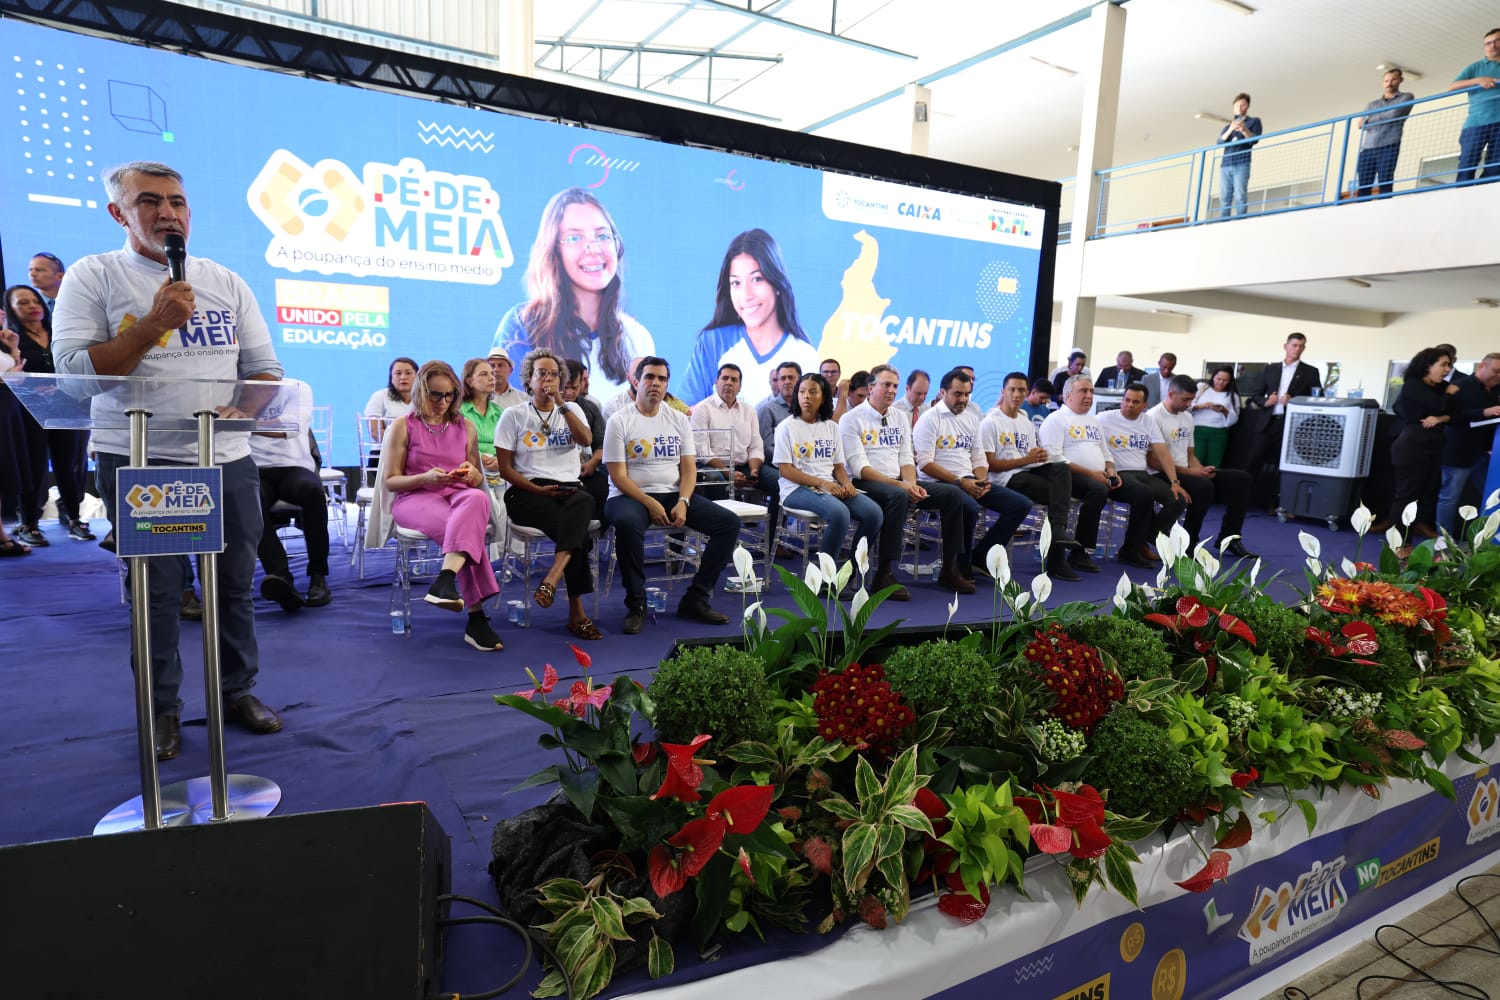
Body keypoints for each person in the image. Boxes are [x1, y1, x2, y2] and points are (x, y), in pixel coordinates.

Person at [53, 160, 283, 761]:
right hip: (139, 460)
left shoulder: (225, 281)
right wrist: (155, 323)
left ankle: (236, 691)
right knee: (155, 594)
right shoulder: (92, 277)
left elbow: (264, 369)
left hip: (225, 456)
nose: (167, 214)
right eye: (149, 202)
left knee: (232, 587)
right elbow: (75, 381)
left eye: (177, 202)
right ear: (119, 213)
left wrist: (245, 405)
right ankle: (161, 710)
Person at [604, 356, 737, 634]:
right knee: (628, 524)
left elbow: (689, 469)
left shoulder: (677, 419)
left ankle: (696, 599)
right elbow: (618, 476)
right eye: (650, 377)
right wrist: (649, 502)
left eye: (662, 379)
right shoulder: (619, 420)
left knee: (728, 523)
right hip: (628, 496)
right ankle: (636, 604)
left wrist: (683, 501)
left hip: (673, 494)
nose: (656, 383)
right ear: (636, 381)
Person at [385, 360, 503, 652]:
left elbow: (475, 475)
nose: (443, 402)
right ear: (421, 392)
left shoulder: (465, 426)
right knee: (464, 529)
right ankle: (476, 619)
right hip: (414, 497)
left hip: (457, 493)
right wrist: (425, 477)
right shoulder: (403, 426)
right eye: (436, 395)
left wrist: (472, 473)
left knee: (477, 498)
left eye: (449, 395)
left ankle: (446, 578)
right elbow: (391, 481)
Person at [491, 187, 653, 395]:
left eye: (602, 235)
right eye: (575, 238)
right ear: (553, 250)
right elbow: (510, 404)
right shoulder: (522, 325)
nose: (593, 248)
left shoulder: (637, 337)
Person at [495, 348, 602, 640]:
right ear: (528, 380)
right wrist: (538, 489)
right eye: (541, 373)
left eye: (554, 374)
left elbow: (586, 440)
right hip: (527, 491)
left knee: (584, 500)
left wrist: (560, 404)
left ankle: (552, 578)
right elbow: (505, 469)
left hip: (569, 490)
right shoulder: (513, 415)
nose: (548, 379)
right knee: (577, 531)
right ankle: (576, 613)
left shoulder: (572, 409)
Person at [841, 365, 967, 599]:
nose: (891, 390)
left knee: (952, 494)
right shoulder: (851, 419)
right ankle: (884, 574)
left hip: (900, 481)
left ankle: (949, 569)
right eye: (885, 385)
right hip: (866, 482)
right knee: (898, 496)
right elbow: (860, 468)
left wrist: (911, 482)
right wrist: (902, 486)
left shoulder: (899, 416)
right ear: (870, 388)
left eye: (895, 386)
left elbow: (907, 457)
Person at [914, 368, 1031, 592]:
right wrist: (960, 482)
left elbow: (978, 456)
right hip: (937, 483)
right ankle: (959, 567)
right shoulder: (929, 419)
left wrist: (982, 479)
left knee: (1020, 505)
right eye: (958, 394)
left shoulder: (971, 418)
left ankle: (981, 554)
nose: (963, 399)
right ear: (943, 392)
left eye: (967, 394)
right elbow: (924, 463)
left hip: (969, 480)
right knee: (967, 505)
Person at [676, 228, 819, 408]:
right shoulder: (714, 342)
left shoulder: (805, 355)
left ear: (776, 282)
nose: (746, 294)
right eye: (736, 282)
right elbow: (682, 414)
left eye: (757, 279)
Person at [5, 284, 94, 545]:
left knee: (71, 464)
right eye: (22, 302)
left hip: (67, 407)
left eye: (34, 301)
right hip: (28, 412)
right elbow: (11, 372)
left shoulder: (60, 333)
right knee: (33, 466)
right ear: (10, 309)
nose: (32, 306)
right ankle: (29, 523)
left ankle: (75, 517)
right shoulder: (9, 338)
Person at [980, 372, 1085, 581]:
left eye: (1021, 390)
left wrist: (1039, 457)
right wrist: (1027, 460)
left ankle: (1056, 531)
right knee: (1059, 497)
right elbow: (989, 464)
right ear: (1003, 392)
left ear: (1027, 392)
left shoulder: (1025, 421)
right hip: (1004, 478)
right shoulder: (990, 422)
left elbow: (1029, 457)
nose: (1016, 394)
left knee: (1061, 466)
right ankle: (1057, 556)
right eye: (1012, 389)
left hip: (1025, 471)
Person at [774, 372, 882, 573]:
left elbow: (838, 467)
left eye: (812, 392)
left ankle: (849, 572)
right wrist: (822, 483)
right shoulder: (787, 427)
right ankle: (826, 577)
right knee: (840, 514)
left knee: (873, 513)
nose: (806, 396)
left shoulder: (832, 427)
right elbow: (785, 470)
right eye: (802, 392)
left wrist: (846, 484)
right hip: (796, 489)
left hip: (828, 485)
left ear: (823, 397)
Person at [1151, 375, 1256, 558]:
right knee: (1203, 487)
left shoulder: (1187, 417)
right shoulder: (1154, 417)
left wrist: (1201, 469)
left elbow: (1190, 455)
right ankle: (1189, 543)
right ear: (1171, 394)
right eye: (1185, 400)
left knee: (1242, 479)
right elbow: (1153, 461)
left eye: (1192, 399)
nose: (1189, 404)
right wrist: (1192, 472)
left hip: (1186, 470)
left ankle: (1230, 538)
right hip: (1161, 474)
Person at [250, 377, 332, 612]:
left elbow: (291, 425)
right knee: (250, 502)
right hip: (254, 468)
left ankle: (318, 576)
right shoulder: (235, 390)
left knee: (313, 492)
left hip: (294, 467)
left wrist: (242, 421)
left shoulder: (296, 387)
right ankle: (281, 578)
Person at [1037, 376, 1126, 576]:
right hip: (1066, 476)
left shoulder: (1093, 421)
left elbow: (1106, 453)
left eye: (1091, 391)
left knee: (1104, 488)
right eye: (1083, 391)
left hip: (1097, 475)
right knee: (1097, 490)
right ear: (1068, 395)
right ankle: (1079, 551)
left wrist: (1111, 470)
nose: (1089, 396)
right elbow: (1054, 457)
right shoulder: (1056, 419)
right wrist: (1092, 474)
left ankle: (1081, 551)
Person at [1098, 384, 1190, 568]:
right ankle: (1130, 550)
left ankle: (1149, 535)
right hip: (1118, 475)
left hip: (1141, 474)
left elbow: (1162, 452)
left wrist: (1174, 482)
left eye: (1135, 402)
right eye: (1127, 400)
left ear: (1144, 405)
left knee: (1178, 499)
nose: (1130, 405)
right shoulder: (1103, 419)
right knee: (1144, 493)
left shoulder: (1148, 421)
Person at [1389, 347, 1462, 539]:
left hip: (1433, 445)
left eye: (1449, 365)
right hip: (1412, 445)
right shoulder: (1413, 385)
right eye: (1443, 365)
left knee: (1425, 493)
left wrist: (1442, 417)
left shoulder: (1440, 387)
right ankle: (1400, 544)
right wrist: (1448, 394)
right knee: (1406, 496)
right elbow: (1438, 405)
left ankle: (1414, 531)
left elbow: (1456, 413)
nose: (1447, 369)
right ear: (1427, 366)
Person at [1244, 333, 1322, 509]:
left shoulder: (1310, 372)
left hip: (1290, 426)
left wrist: (1294, 400)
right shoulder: (1270, 369)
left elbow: (1317, 398)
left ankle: (1277, 504)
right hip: (1266, 422)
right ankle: (1243, 500)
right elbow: (1255, 395)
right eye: (1294, 345)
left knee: (1283, 467)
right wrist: (1266, 401)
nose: (1297, 349)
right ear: (1285, 346)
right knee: (1253, 462)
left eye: (1301, 346)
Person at [1439, 353, 1500, 535]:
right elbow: (1449, 416)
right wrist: (1483, 412)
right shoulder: (1459, 386)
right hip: (1459, 451)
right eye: (1496, 371)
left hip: (1488, 453)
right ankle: (1445, 539)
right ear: (1482, 366)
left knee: (1492, 497)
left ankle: (1489, 537)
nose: (1499, 376)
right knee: (1450, 496)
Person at [689, 363, 764, 505]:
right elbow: (703, 452)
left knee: (774, 478)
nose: (729, 383)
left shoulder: (749, 410)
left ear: (740, 387)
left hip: (743, 466)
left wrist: (754, 471)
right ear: (716, 382)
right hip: (713, 466)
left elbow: (756, 446)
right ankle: (724, 523)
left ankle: (771, 525)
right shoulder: (703, 409)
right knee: (714, 478)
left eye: (734, 380)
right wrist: (729, 473)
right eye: (725, 378)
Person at [1449, 28, 1500, 183]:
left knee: (1496, 167)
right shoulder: (1475, 67)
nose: (1492, 46)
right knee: (1467, 163)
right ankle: (1462, 197)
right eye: (1488, 43)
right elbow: (1452, 86)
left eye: (1497, 41)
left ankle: (1483, 194)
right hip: (1475, 123)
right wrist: (1479, 80)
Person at [1356, 68, 1415, 198]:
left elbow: (1395, 114)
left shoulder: (1407, 97)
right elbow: (1361, 125)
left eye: (1393, 79)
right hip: (1368, 148)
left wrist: (1371, 118)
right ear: (1383, 83)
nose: (1389, 83)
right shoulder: (1372, 104)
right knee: (1363, 186)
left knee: (1385, 182)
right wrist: (1384, 116)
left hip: (1389, 145)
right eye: (1386, 80)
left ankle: (1386, 211)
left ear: (1400, 80)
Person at [562, 358, 608, 520]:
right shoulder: (546, 410)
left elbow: (601, 444)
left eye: (574, 388)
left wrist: (593, 463)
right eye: (565, 388)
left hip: (587, 469)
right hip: (558, 473)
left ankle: (594, 537)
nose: (569, 393)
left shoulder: (591, 408)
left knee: (604, 489)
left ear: (581, 384)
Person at [1217, 92, 1263, 217]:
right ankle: (1223, 223)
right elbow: (1220, 142)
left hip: (1242, 163)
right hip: (1226, 164)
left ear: (1247, 107)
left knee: (1240, 195)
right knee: (1224, 196)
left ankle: (1241, 221)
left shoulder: (1254, 121)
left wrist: (1244, 129)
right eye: (1237, 105)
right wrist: (1231, 129)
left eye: (1243, 105)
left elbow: (1254, 140)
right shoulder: (1228, 126)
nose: (1239, 107)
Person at [458, 358, 503, 485]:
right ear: (469, 381)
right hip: (470, 468)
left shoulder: (500, 412)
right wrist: (480, 456)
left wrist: (501, 459)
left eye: (492, 374)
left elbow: (509, 444)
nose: (491, 378)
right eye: (484, 374)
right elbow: (457, 445)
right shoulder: (458, 411)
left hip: (500, 468)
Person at [1192, 365, 1242, 467]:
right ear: (1213, 377)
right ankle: (1195, 482)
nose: (1221, 382)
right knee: (1196, 460)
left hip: (1219, 432)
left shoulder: (1232, 396)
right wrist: (1201, 406)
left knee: (1214, 463)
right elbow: (1187, 405)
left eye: (1225, 380)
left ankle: (1212, 482)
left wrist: (1224, 410)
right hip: (1198, 429)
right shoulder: (1202, 388)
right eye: (1218, 379)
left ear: (1229, 381)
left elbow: (1235, 418)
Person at [365, 356, 416, 439]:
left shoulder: (424, 399)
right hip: (383, 450)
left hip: (416, 450)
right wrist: (400, 446)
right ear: (391, 378)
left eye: (408, 373)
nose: (403, 377)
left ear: (417, 377)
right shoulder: (379, 396)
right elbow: (375, 432)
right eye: (398, 373)